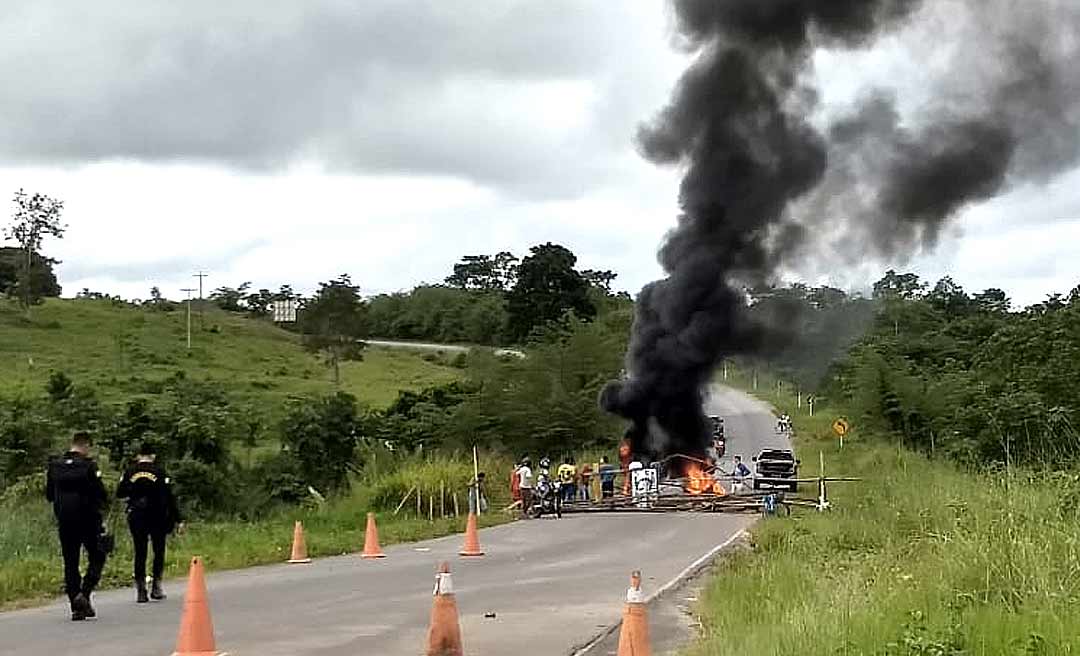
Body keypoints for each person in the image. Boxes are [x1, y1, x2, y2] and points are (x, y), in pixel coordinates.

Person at [46, 431, 109, 621]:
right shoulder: (89, 466)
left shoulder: (55, 467)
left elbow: (49, 495)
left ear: (71, 444)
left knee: (70, 562)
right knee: (98, 555)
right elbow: (101, 494)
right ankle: (85, 593)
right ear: (86, 445)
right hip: (88, 520)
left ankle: (76, 605)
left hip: (65, 521)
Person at [116, 442, 181, 603]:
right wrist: (177, 518)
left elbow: (120, 493)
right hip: (157, 515)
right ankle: (156, 586)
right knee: (158, 550)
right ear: (153, 456)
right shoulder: (159, 472)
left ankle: (141, 589)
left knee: (140, 550)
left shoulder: (130, 471)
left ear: (139, 455)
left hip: (137, 514)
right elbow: (169, 497)